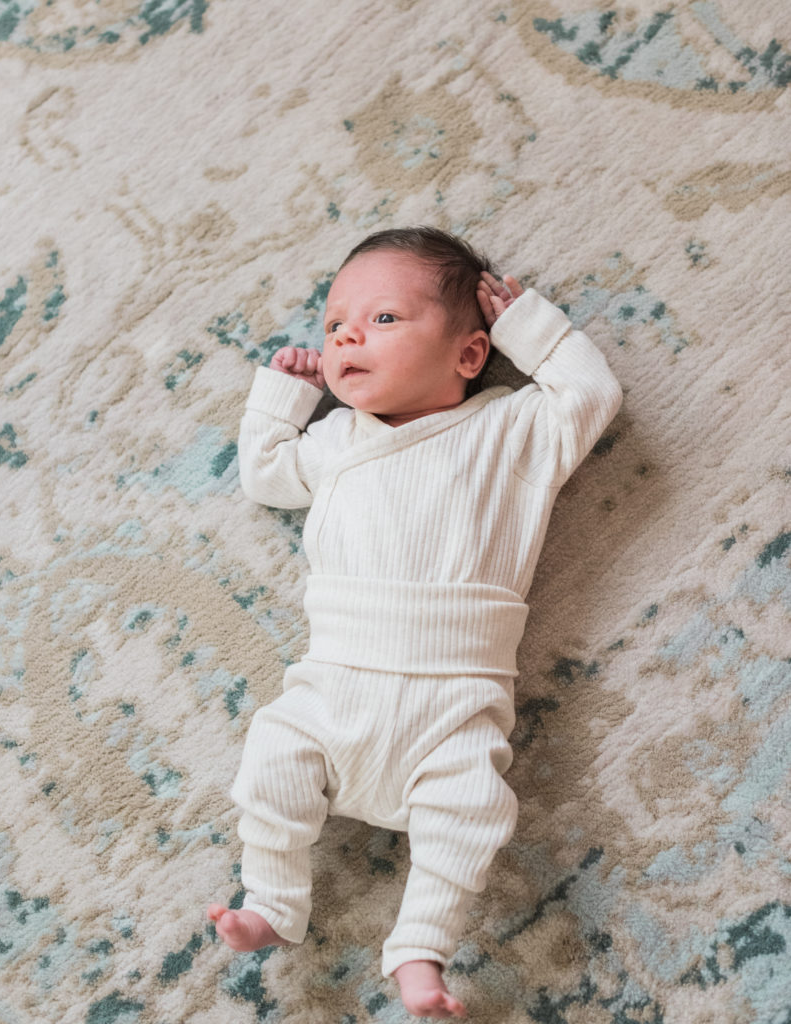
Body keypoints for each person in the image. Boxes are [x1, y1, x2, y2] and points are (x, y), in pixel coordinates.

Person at [208, 227, 622, 1018]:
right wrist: (285, 395)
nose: (347, 336)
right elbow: (265, 475)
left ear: (470, 355)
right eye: (334, 326)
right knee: (272, 756)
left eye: (384, 319)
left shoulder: (515, 430)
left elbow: (589, 395)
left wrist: (530, 328)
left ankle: (420, 951)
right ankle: (270, 899)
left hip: (454, 695)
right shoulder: (334, 443)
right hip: (331, 684)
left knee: (471, 814)